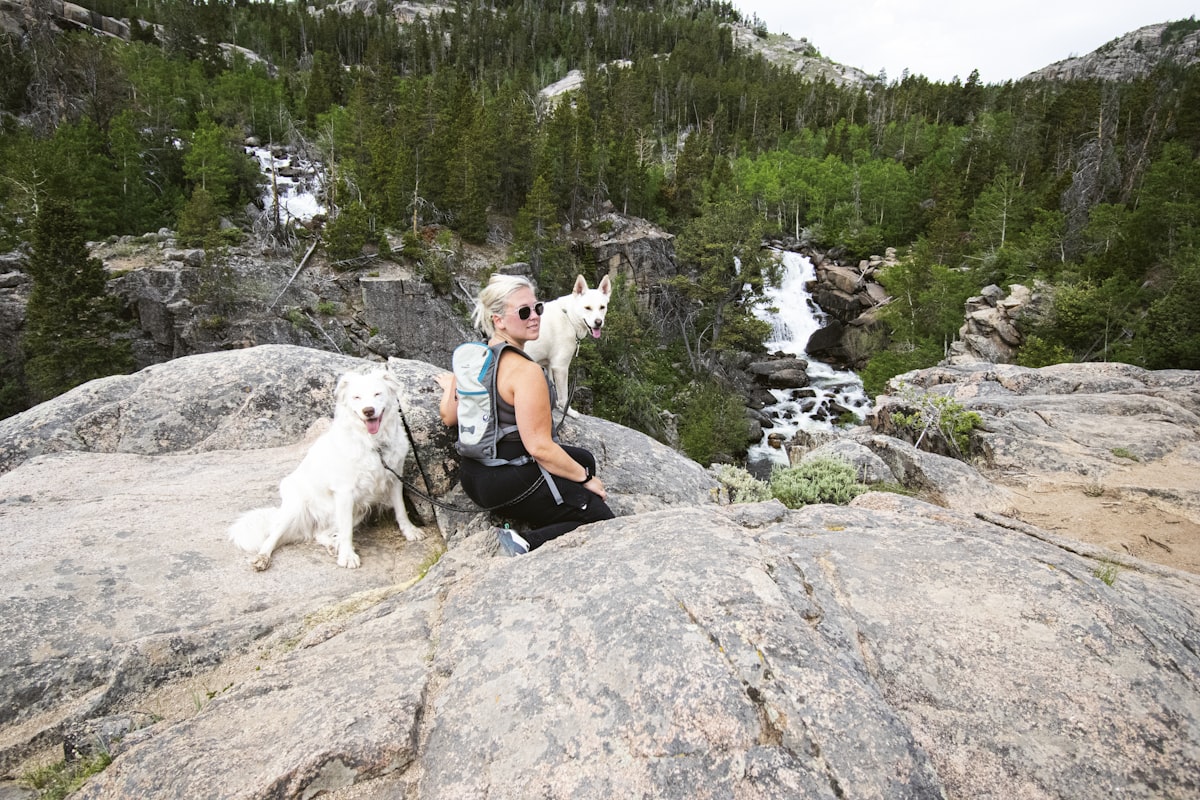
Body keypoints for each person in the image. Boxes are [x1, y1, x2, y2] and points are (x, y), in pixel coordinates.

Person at [436, 274, 614, 555]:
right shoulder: (527, 372)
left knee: (585, 458)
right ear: (499, 320)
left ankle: (543, 508)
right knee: (601, 517)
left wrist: (451, 386)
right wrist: (584, 480)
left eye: (537, 308)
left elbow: (449, 416)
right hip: (506, 481)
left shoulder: (475, 358)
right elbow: (540, 448)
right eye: (523, 311)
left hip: (474, 475)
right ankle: (525, 542)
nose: (534, 317)